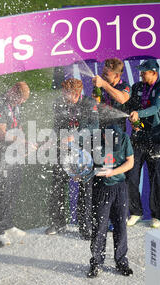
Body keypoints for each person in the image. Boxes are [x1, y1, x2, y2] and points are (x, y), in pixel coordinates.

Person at [45, 78, 99, 239]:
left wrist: (74, 136)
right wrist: (53, 139)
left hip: (84, 150)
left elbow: (94, 127)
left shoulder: (89, 103)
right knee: (57, 186)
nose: (62, 95)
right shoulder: (59, 103)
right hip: (63, 150)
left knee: (85, 190)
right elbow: (56, 125)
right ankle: (58, 223)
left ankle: (84, 226)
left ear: (75, 95)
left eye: (65, 93)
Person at [125, 59, 160, 229]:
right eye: (141, 71)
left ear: (154, 72)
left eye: (144, 72)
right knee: (131, 176)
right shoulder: (137, 87)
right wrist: (133, 119)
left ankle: (156, 216)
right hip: (138, 139)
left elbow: (156, 108)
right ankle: (136, 212)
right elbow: (130, 107)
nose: (141, 74)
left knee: (156, 179)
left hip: (157, 140)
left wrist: (139, 114)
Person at [87, 124, 134, 278]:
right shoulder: (94, 140)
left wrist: (112, 172)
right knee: (99, 227)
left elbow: (130, 162)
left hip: (120, 187)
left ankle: (121, 261)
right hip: (101, 188)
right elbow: (87, 164)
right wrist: (80, 172)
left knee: (121, 225)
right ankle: (96, 263)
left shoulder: (125, 138)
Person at [0, 82, 31, 246]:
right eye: (18, 99)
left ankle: (7, 223)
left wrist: (22, 145)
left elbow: (18, 126)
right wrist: (21, 140)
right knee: (3, 190)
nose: (19, 103)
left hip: (14, 152)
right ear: (12, 91)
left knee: (14, 186)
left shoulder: (16, 105)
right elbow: (0, 133)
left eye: (21, 102)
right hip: (0, 153)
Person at [92, 58, 131, 130]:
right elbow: (96, 103)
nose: (103, 76)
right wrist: (96, 89)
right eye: (103, 73)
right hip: (102, 128)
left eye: (106, 74)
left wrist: (104, 84)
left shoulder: (124, 86)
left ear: (116, 76)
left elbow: (122, 99)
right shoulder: (102, 85)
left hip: (117, 130)